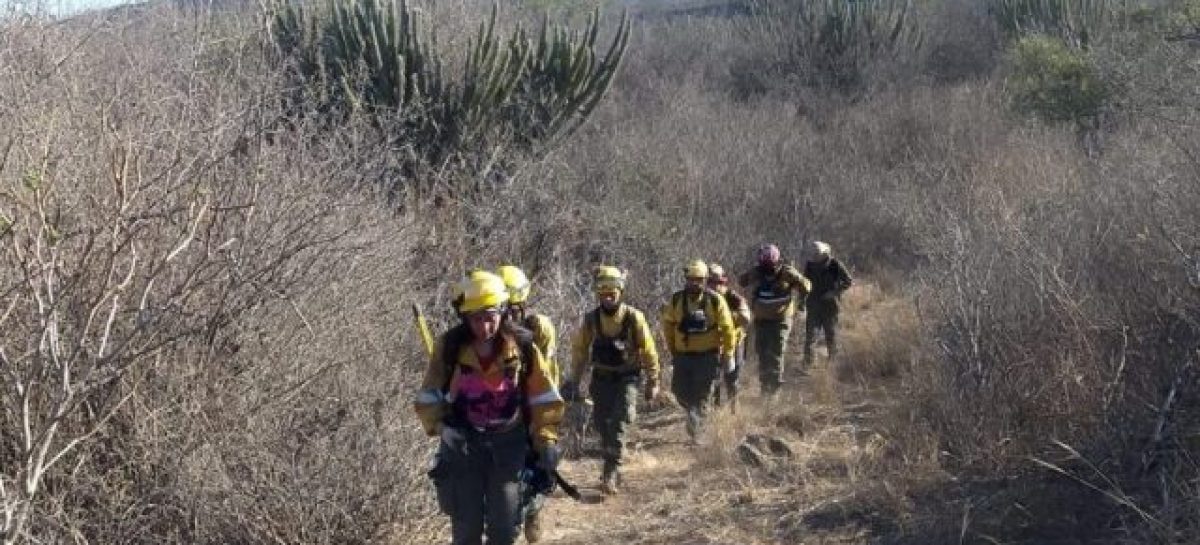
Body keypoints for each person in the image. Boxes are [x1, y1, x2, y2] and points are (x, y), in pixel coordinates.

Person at [414, 271, 564, 545]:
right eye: (476, 318)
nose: (484, 326)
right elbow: (429, 396)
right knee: (466, 530)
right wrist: (442, 429)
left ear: (503, 311)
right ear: (464, 317)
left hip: (509, 445)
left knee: (504, 530)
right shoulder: (449, 347)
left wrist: (546, 441)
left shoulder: (523, 346)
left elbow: (543, 398)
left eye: (490, 316)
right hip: (463, 445)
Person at [562, 266, 660, 495]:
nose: (607, 296)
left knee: (620, 420)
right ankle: (611, 463)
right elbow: (579, 352)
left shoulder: (634, 317)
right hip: (601, 379)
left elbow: (648, 350)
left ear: (620, 291)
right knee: (602, 424)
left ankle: (611, 472)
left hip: (628, 377)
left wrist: (653, 380)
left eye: (612, 292)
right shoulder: (591, 320)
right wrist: (573, 381)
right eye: (603, 291)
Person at [495, 265, 559, 543]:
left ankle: (529, 512)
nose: (506, 316)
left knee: (534, 473)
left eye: (512, 309)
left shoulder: (538, 329)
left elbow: (546, 377)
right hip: (497, 416)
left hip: (531, 410)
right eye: (501, 309)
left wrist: (542, 424)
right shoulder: (485, 332)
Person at [660, 260, 736, 443]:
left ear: (705, 280)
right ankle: (692, 412)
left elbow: (728, 328)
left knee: (703, 395)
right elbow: (668, 326)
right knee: (678, 391)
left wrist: (728, 354)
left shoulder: (715, 300)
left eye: (699, 280)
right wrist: (672, 349)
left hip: (708, 356)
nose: (695, 283)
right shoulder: (676, 300)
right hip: (683, 355)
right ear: (686, 280)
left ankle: (698, 433)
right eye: (691, 279)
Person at [738, 243, 811, 396]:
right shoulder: (756, 272)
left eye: (770, 264)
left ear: (777, 261)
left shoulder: (787, 272)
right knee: (762, 353)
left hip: (781, 320)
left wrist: (797, 279)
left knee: (776, 353)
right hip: (761, 319)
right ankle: (765, 387)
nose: (768, 268)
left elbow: (807, 287)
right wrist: (751, 275)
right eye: (764, 264)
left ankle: (774, 391)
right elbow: (741, 281)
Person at [707, 263, 752, 413]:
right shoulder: (702, 299)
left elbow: (746, 318)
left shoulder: (732, 297)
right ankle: (715, 409)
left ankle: (734, 408)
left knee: (732, 378)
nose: (713, 286)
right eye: (709, 282)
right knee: (713, 378)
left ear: (723, 282)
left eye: (716, 282)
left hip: (734, 343)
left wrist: (727, 317)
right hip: (711, 345)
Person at [802, 241, 853, 368]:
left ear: (824, 253)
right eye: (813, 254)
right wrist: (801, 301)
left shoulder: (835, 265)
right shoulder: (810, 266)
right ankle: (808, 364)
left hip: (831, 306)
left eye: (817, 254)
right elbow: (804, 284)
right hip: (813, 305)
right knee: (811, 336)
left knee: (831, 335)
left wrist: (834, 292)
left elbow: (848, 281)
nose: (815, 256)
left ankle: (832, 363)